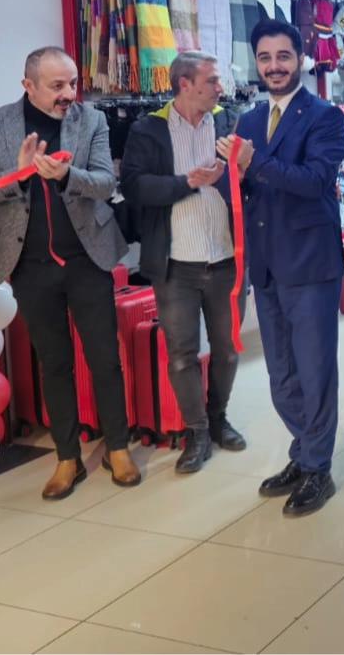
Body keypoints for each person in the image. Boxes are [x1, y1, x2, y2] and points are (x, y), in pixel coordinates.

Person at [0, 46, 140, 500]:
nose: (69, 93)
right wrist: (20, 175)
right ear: (28, 85)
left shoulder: (92, 120)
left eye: (72, 83)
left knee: (104, 358)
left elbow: (106, 182)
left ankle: (117, 447)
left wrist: (67, 175)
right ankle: (67, 457)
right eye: (57, 85)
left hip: (88, 258)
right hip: (28, 265)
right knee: (54, 362)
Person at [217, 19, 344, 517]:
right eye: (265, 57)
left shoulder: (325, 117)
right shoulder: (248, 120)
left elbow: (314, 181)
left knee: (315, 372)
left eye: (283, 56)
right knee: (281, 374)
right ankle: (304, 450)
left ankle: (318, 467)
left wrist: (254, 164)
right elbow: (246, 188)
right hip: (267, 264)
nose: (274, 66)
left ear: (301, 59)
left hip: (311, 264)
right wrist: (224, 178)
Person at [121, 52, 246, 475]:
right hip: (174, 265)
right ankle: (197, 432)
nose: (220, 88)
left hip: (227, 260)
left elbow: (250, 181)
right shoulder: (148, 129)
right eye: (212, 80)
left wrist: (238, 170)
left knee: (228, 350)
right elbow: (134, 186)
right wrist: (187, 182)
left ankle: (218, 417)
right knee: (182, 355)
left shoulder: (230, 123)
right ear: (184, 84)